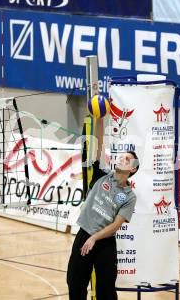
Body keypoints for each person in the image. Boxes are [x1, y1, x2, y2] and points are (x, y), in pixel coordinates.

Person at [67, 117, 139, 300]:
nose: (122, 158)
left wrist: (95, 238)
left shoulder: (130, 196)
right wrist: (100, 119)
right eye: (122, 156)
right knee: (75, 282)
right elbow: (98, 144)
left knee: (106, 290)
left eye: (127, 159)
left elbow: (116, 226)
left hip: (104, 242)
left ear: (132, 169)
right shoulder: (102, 175)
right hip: (84, 235)